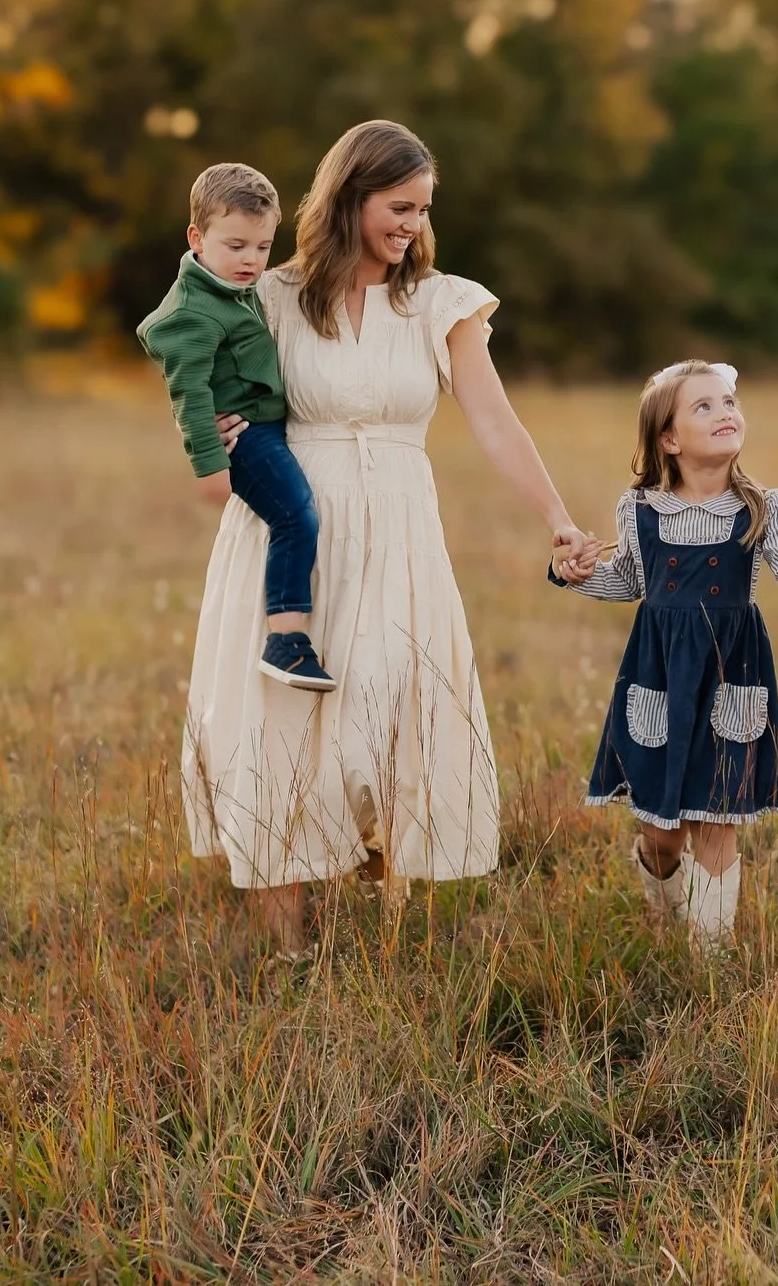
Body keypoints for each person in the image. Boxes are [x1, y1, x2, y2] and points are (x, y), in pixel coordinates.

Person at [183, 120, 594, 956]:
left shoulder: (440, 303)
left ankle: (403, 935)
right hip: (291, 529)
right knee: (282, 725)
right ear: (348, 198)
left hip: (400, 529)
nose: (410, 225)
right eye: (396, 207)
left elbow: (494, 420)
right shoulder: (270, 293)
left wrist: (558, 519)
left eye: (421, 210)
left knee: (390, 706)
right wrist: (213, 432)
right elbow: (188, 355)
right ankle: (290, 948)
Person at [552, 360, 778, 950]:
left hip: (732, 674)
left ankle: (708, 959)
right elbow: (627, 583)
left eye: (729, 402)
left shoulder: (765, 506)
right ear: (669, 440)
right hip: (659, 675)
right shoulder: (639, 510)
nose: (725, 413)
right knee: (662, 830)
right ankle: (666, 919)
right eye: (704, 407)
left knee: (719, 818)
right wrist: (573, 574)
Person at [138, 162, 334, 689]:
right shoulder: (192, 312)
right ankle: (287, 640)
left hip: (265, 427)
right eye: (236, 246)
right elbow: (189, 392)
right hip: (246, 439)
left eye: (263, 247)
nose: (251, 261)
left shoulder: (231, 285)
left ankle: (289, 634)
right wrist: (211, 468)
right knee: (296, 517)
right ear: (196, 238)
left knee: (300, 515)